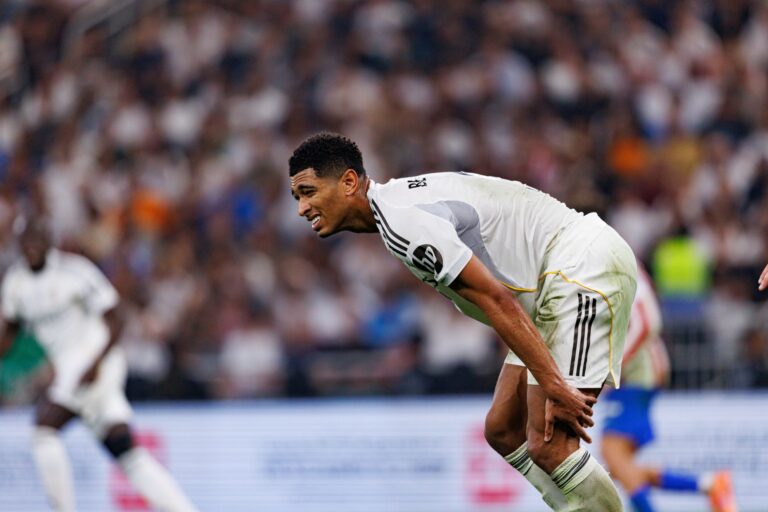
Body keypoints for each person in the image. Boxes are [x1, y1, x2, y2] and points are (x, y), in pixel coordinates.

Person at [288, 132, 638, 511]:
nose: (302, 208)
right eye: (297, 197)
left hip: (580, 268)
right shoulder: (396, 205)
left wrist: (552, 383)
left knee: (551, 445)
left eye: (308, 192)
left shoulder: (402, 222)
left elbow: (496, 299)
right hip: (555, 283)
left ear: (349, 182)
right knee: (503, 429)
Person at [0, 218, 198, 512]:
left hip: (96, 358)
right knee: (124, 450)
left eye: (36, 239)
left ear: (48, 240)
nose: (31, 246)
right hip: (68, 368)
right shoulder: (15, 283)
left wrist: (96, 362)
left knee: (44, 429)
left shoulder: (75, 271)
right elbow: (11, 332)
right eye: (26, 241)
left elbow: (115, 317)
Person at [600, 264, 737, 512]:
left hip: (636, 377)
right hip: (632, 378)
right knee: (621, 468)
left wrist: (609, 368)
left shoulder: (618, 264)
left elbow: (645, 322)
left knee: (614, 458)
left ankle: (708, 485)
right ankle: (709, 484)